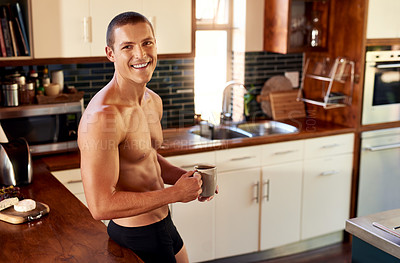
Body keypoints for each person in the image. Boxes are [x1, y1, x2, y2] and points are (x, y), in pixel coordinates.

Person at [78, 11, 217, 263]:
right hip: (135, 234)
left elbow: (146, 156)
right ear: (110, 53)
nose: (140, 54)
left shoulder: (153, 100)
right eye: (127, 46)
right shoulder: (103, 117)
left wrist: (188, 180)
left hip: (163, 221)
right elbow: (100, 206)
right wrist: (175, 194)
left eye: (147, 43)